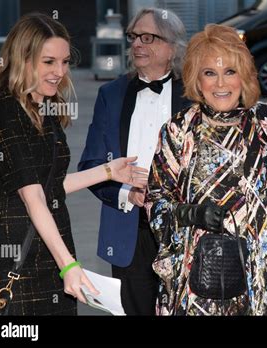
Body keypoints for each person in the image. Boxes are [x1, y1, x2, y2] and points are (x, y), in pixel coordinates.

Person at [146, 24, 267, 316]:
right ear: (197, 80)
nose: (220, 83)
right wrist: (193, 213)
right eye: (209, 72)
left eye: (230, 71)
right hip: (206, 277)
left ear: (244, 76)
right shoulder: (179, 130)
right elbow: (155, 200)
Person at [0, 13, 147, 315]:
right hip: (16, 258)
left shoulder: (42, 107)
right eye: (49, 62)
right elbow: (32, 198)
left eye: (65, 61)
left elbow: (50, 188)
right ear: (23, 59)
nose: (59, 72)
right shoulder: (4, 109)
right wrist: (68, 264)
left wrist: (109, 171)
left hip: (52, 252)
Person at [78, 8, 190, 315]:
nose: (137, 44)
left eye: (147, 37)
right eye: (133, 37)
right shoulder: (110, 95)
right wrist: (127, 194)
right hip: (129, 229)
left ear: (172, 47)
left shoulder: (195, 95)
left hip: (185, 229)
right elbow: (90, 165)